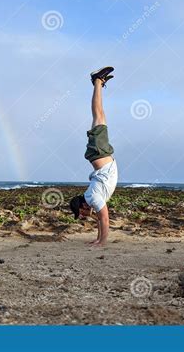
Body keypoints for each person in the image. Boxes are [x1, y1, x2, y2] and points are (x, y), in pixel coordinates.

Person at [69, 66, 118, 246]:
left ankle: (97, 81)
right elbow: (99, 219)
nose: (83, 216)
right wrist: (97, 239)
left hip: (99, 154)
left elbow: (105, 219)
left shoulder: (92, 198)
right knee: (101, 115)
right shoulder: (91, 198)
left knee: (98, 114)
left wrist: (102, 244)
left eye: (80, 213)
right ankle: (99, 82)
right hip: (98, 156)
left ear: (82, 206)